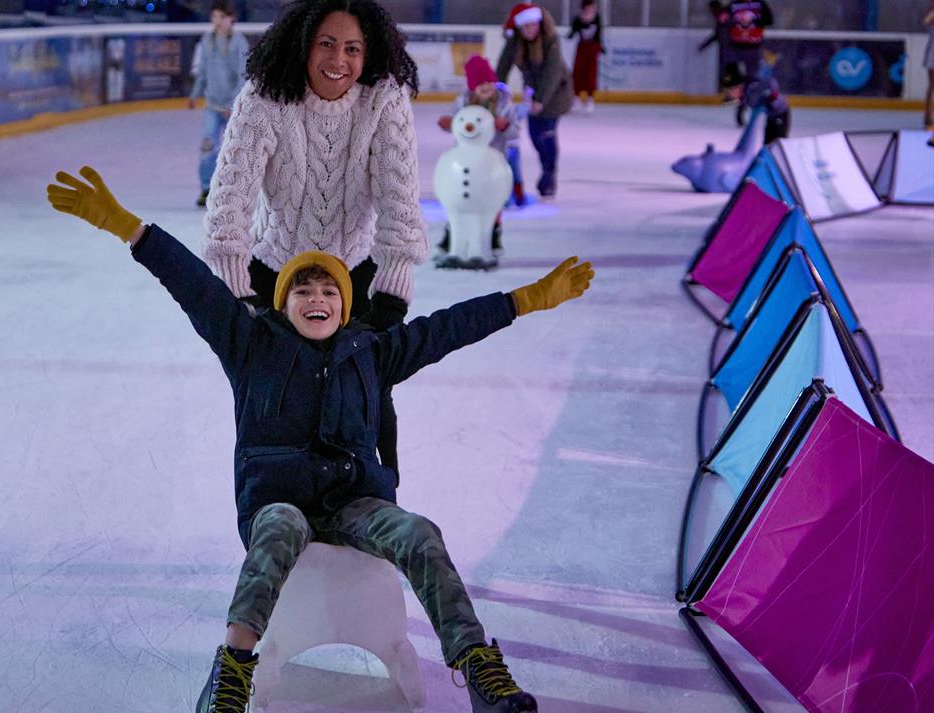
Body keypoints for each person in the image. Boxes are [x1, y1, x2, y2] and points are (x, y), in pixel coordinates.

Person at [46, 164, 595, 713]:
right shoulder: (251, 346)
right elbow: (195, 286)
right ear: (283, 304)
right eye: (302, 289)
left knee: (419, 533)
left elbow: (446, 328)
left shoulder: (374, 353)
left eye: (329, 289)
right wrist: (129, 228)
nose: (317, 297)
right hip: (277, 500)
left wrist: (523, 299)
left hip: (356, 503)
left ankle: (479, 669)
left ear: (345, 305)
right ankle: (232, 675)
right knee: (281, 525)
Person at [204, 0, 428, 477]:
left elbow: (399, 200)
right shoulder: (265, 97)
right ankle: (273, 507)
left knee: (367, 400)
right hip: (274, 275)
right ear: (304, 44)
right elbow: (230, 200)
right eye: (326, 44)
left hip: (357, 278)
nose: (338, 61)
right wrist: (238, 290)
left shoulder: (384, 99)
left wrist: (391, 294)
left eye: (352, 48)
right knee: (274, 403)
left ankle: (374, 497)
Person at [435, 55, 522, 261]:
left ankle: (493, 234)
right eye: (481, 86)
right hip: (467, 160)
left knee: (492, 199)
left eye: (490, 84)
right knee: (460, 199)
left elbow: (516, 131)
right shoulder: (463, 101)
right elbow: (458, 125)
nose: (487, 89)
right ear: (473, 88)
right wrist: (449, 124)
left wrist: (506, 125)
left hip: (493, 163)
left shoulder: (503, 101)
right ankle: (450, 236)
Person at [497, 2, 572, 198]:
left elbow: (553, 72)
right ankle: (547, 169)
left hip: (556, 92)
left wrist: (541, 99)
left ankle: (549, 176)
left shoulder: (550, 39)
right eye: (526, 26)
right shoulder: (515, 42)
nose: (530, 30)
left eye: (533, 25)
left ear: (539, 23)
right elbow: (503, 66)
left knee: (546, 134)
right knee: (534, 134)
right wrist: (495, 91)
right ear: (520, 27)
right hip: (533, 93)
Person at [187, 1, 249, 207]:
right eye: (214, 17)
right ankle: (206, 188)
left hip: (232, 108)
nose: (217, 21)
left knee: (232, 149)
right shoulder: (207, 40)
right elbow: (202, 70)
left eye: (221, 17)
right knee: (207, 146)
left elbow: (242, 76)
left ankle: (231, 190)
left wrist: (232, 105)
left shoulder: (240, 42)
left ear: (231, 18)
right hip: (212, 106)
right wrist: (195, 94)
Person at [724, 0, 772, 126]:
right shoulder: (733, 4)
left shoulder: (760, 4)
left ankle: (745, 104)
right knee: (736, 78)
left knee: (751, 79)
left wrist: (756, 21)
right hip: (736, 47)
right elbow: (724, 21)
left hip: (753, 47)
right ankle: (740, 102)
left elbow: (769, 20)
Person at [720, 61, 789, 145]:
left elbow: (771, 82)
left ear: (738, 86)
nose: (729, 95)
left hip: (780, 112)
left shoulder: (751, 88)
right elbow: (743, 102)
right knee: (768, 143)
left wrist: (772, 97)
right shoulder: (743, 95)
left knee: (776, 143)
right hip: (771, 115)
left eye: (730, 90)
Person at [567, 0, 605, 114]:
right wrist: (570, 35)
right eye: (590, 6)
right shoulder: (578, 19)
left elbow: (599, 34)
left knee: (591, 73)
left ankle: (590, 99)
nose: (592, 8)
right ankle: (576, 98)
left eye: (593, 6)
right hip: (582, 47)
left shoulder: (597, 18)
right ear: (584, 7)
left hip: (593, 48)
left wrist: (601, 47)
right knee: (578, 71)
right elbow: (573, 31)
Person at [697, 1, 731, 92]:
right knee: (726, 69)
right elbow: (718, 34)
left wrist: (704, 45)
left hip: (728, 47)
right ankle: (724, 87)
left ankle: (725, 88)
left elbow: (719, 34)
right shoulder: (724, 15)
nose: (711, 13)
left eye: (711, 10)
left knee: (726, 69)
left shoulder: (723, 16)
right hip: (727, 46)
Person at [924, 1, 934, 130]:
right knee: (932, 86)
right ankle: (927, 116)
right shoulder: (931, 17)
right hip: (932, 55)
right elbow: (926, 22)